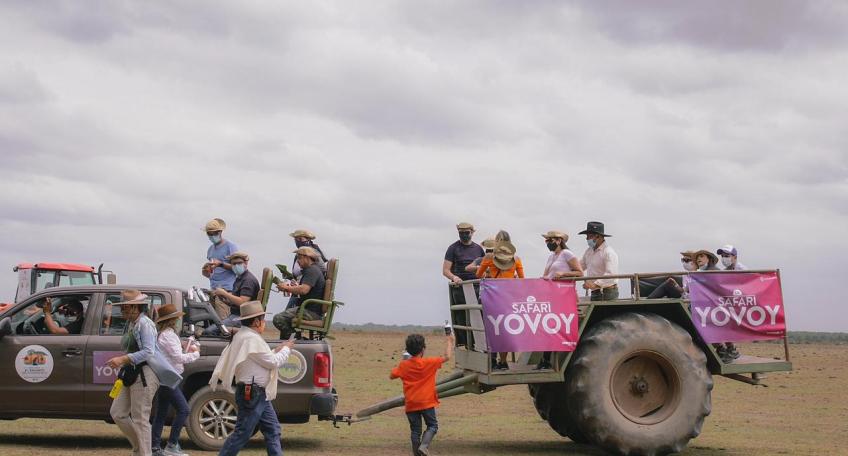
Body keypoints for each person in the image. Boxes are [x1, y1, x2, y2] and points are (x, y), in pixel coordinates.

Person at [210, 301, 295, 456]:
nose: (264, 323)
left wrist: (277, 350)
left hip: (256, 392)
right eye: (262, 319)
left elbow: (260, 358)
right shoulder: (252, 339)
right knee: (243, 433)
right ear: (256, 321)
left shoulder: (243, 336)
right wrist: (286, 349)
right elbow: (273, 362)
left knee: (272, 429)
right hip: (253, 393)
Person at [107, 290, 182, 456]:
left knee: (140, 419)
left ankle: (144, 452)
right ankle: (140, 448)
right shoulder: (134, 323)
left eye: (126, 307)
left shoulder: (145, 324)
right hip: (132, 373)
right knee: (118, 413)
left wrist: (123, 359)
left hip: (145, 374)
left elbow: (148, 352)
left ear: (135, 307)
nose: (122, 310)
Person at [390, 332, 454, 456]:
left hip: (411, 403)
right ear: (423, 349)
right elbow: (447, 357)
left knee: (415, 431)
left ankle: (417, 453)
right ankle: (424, 446)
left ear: (407, 350)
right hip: (426, 403)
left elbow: (392, 375)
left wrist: (404, 361)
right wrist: (449, 341)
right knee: (432, 426)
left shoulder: (404, 365)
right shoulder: (429, 362)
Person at [151, 304, 200, 456]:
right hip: (170, 379)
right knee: (184, 410)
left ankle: (155, 447)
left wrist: (184, 345)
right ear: (172, 320)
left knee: (161, 414)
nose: (179, 320)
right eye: (177, 318)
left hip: (164, 378)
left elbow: (173, 354)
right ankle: (172, 444)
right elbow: (179, 358)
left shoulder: (162, 334)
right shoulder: (169, 335)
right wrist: (196, 354)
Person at [476, 231, 524, 370]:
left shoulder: (489, 257)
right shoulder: (516, 259)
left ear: (497, 242)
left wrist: (488, 272)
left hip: (492, 298)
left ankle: (492, 360)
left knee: (492, 329)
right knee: (506, 330)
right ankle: (503, 362)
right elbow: (522, 279)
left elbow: (478, 274)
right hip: (508, 298)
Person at [538, 230, 583, 369]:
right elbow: (546, 274)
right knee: (549, 326)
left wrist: (563, 273)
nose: (547, 243)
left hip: (565, 296)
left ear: (558, 241)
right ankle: (545, 360)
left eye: (550, 240)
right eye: (546, 241)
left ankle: (548, 361)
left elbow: (580, 272)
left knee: (556, 327)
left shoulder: (567, 254)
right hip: (553, 297)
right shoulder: (552, 256)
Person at [272, 247, 327, 339]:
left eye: (299, 258)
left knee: (278, 319)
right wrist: (288, 288)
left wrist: (286, 288)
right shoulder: (312, 270)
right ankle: (290, 340)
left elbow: (304, 290)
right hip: (308, 310)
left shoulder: (312, 270)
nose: (297, 261)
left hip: (311, 312)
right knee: (283, 318)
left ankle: (296, 340)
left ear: (307, 257)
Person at [201, 218, 238, 319]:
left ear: (220, 232)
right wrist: (206, 271)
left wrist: (221, 264)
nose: (211, 236)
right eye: (209, 234)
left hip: (226, 291)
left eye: (214, 233)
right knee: (213, 322)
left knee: (223, 321)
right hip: (213, 290)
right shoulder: (210, 249)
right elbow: (211, 272)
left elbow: (237, 268)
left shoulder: (230, 247)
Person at [211, 252, 260, 328]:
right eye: (234, 264)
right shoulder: (240, 278)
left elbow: (242, 302)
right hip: (236, 315)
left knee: (209, 331)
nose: (236, 266)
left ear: (246, 263)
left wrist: (225, 293)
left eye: (239, 263)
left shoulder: (248, 280)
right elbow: (236, 302)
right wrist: (223, 298)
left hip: (243, 318)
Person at [579, 221, 620, 301]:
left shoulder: (608, 252)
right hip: (596, 292)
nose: (587, 239)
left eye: (589, 236)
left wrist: (594, 284)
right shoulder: (589, 251)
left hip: (607, 293)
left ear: (598, 236)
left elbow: (611, 275)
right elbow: (580, 266)